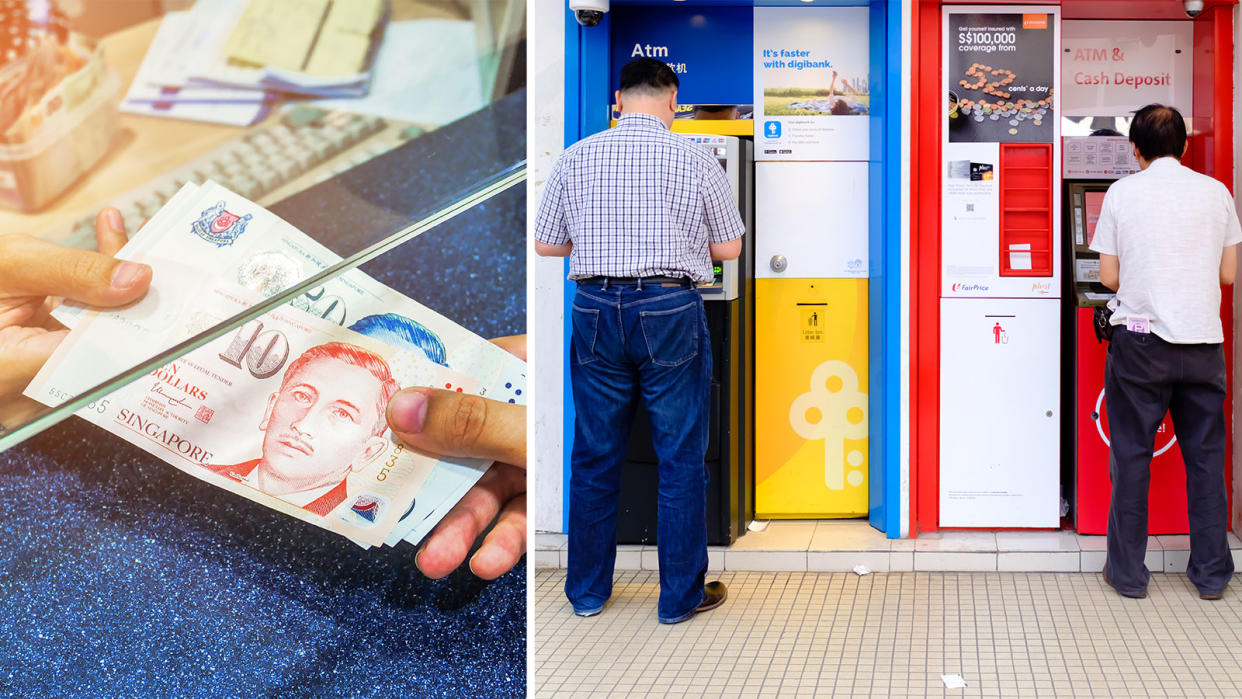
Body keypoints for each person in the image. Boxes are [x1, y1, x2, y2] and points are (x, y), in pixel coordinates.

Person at [534, 57, 745, 624]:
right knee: (680, 457)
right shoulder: (697, 157)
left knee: (595, 453)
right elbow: (729, 251)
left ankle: (586, 593)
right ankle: (678, 600)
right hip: (670, 306)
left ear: (619, 100)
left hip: (597, 308)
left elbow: (547, 246)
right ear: (672, 100)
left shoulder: (577, 156)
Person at [1091, 104, 1242, 600]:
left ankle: (1129, 575)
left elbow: (1110, 278)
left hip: (1141, 346)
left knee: (1132, 458)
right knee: (1205, 460)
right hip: (1203, 344)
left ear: (1135, 149)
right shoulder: (1217, 193)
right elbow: (1227, 274)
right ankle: (1212, 575)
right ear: (1185, 146)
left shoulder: (1121, 193)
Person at [207, 342, 401, 517]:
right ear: (270, 408)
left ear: (367, 452)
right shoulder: (205, 473)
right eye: (302, 396)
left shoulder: (347, 531)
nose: (303, 425)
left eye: (342, 413)